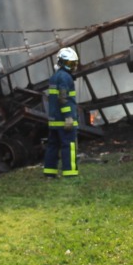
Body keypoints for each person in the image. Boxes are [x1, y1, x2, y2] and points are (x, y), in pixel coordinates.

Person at [44, 47, 80, 178]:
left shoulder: (54, 77)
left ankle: (50, 172)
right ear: (62, 62)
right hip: (64, 120)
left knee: (52, 146)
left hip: (54, 120)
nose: (73, 66)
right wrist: (69, 117)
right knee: (69, 146)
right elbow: (63, 99)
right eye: (70, 63)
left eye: (74, 63)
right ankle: (70, 173)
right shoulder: (65, 77)